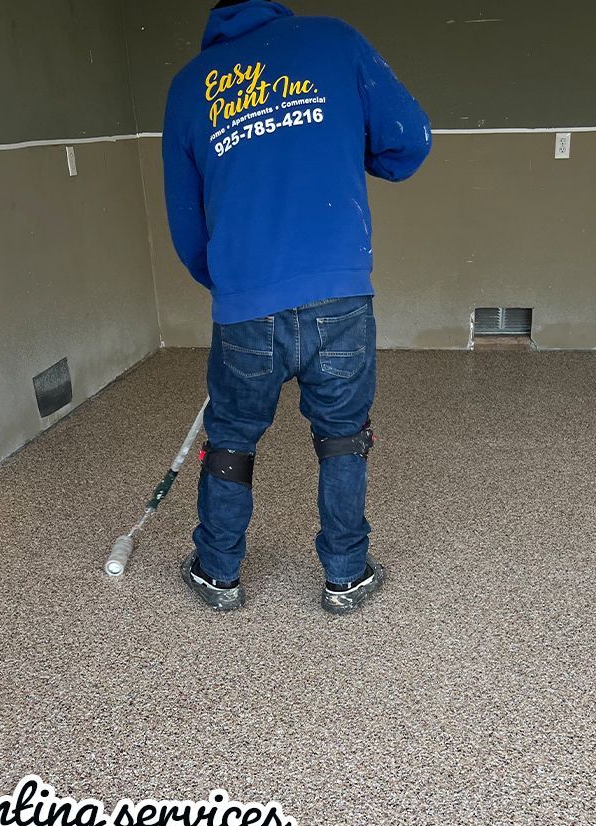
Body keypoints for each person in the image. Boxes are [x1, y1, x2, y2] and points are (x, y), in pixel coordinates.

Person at [162, 0, 431, 614]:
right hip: (339, 294)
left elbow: (187, 229)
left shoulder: (188, 87)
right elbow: (409, 141)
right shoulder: (333, 40)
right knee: (342, 438)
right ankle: (347, 575)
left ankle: (218, 572)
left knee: (231, 438)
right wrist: (340, 148)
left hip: (246, 305)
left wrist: (239, 287)